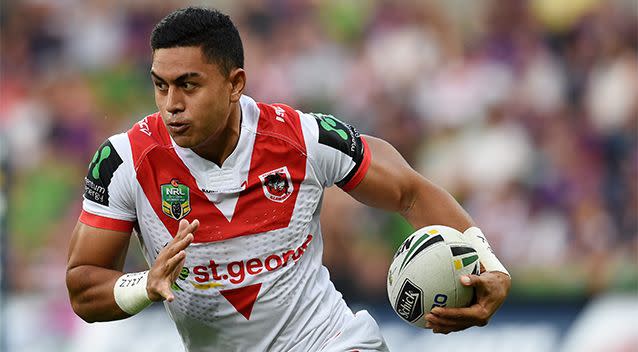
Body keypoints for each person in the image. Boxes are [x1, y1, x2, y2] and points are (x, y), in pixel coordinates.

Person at [66, 6, 511, 352]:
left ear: (235, 83)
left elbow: (410, 191)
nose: (172, 104)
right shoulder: (124, 160)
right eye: (160, 85)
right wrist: (143, 284)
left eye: (189, 85)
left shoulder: (301, 138)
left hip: (329, 340)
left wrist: (488, 263)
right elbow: (83, 286)